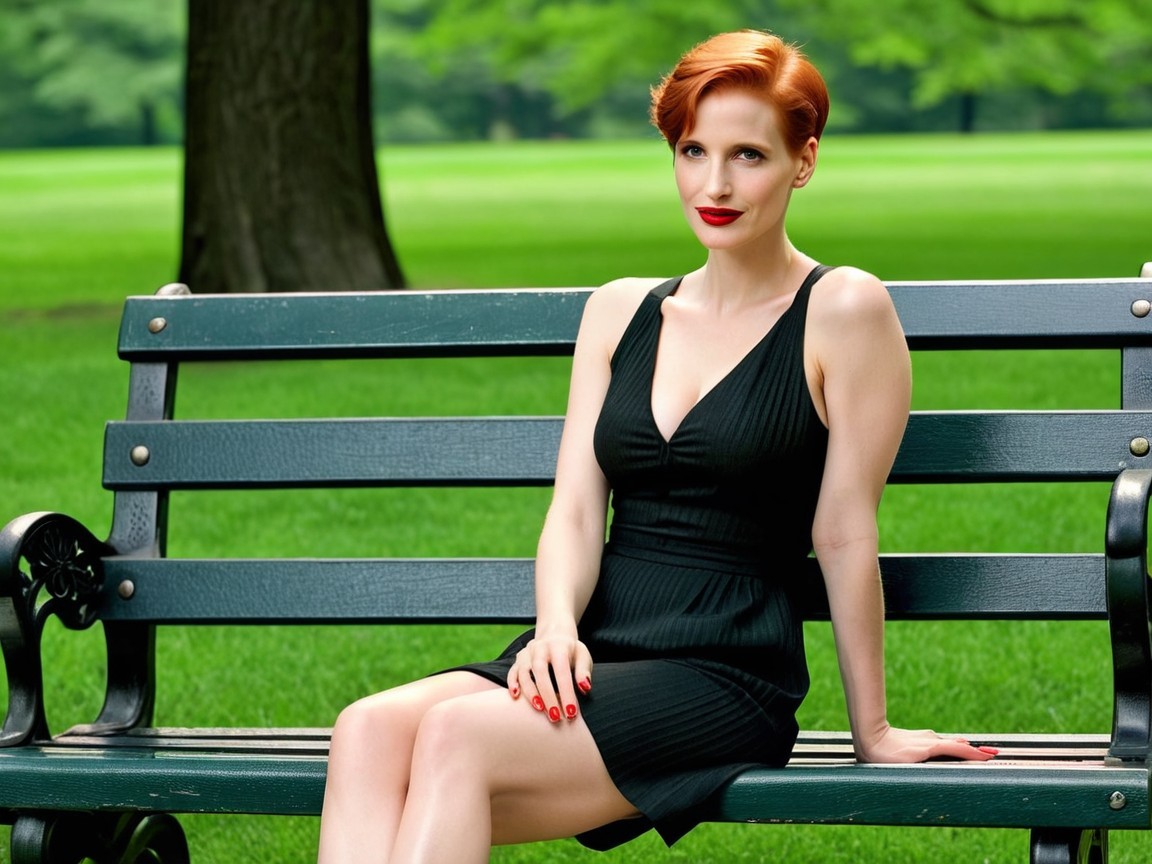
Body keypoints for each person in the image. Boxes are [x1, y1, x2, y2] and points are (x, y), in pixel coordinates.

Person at [316, 28, 996, 863]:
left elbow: (844, 531)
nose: (714, 184)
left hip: (723, 668)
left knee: (458, 736)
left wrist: (874, 731)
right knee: (368, 730)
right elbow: (574, 508)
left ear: (804, 160)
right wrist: (554, 628)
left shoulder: (843, 310)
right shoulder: (619, 311)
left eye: (748, 155)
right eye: (692, 151)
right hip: (596, 643)